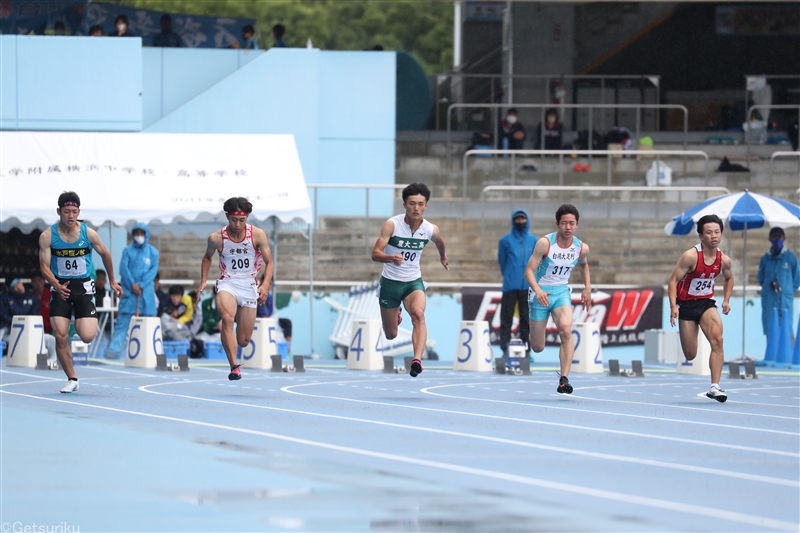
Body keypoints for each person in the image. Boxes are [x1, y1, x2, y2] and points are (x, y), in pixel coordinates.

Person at [38, 192, 122, 393]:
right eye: (66, 211)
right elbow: (44, 266)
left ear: (79, 212)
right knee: (60, 335)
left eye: (74, 212)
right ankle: (72, 378)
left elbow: (105, 254)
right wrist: (56, 285)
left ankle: (77, 317)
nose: (70, 215)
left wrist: (112, 280)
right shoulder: (48, 236)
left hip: (83, 288)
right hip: (61, 288)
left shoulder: (88, 233)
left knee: (87, 336)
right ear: (59, 211)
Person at [371, 182, 448, 378]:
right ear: (404, 204)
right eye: (412, 203)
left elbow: (440, 241)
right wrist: (391, 258)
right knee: (391, 334)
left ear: (426, 206)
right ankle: (396, 311)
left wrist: (443, 256)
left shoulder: (430, 229)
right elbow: (375, 253)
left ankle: (417, 360)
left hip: (413, 281)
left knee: (418, 314)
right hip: (390, 282)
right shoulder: (392, 225)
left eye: (420, 204)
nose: (416, 208)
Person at [196, 197, 273, 380]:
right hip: (227, 283)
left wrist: (265, 285)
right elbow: (207, 258)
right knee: (227, 318)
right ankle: (234, 367)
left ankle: (237, 333)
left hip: (248, 285)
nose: (237, 224)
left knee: (243, 341)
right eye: (233, 220)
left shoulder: (257, 235)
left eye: (241, 220)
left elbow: (269, 262)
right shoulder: (216, 238)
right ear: (227, 217)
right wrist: (203, 281)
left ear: (246, 218)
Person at [524, 204, 591, 394]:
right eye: (564, 223)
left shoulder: (581, 247)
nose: (567, 227)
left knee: (566, 330)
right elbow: (528, 271)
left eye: (571, 223)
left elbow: (584, 265)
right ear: (557, 224)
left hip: (561, 293)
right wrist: (537, 290)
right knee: (537, 347)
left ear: (577, 225)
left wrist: (588, 287)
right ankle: (528, 332)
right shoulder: (545, 243)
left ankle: (564, 379)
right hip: (541, 293)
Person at [668, 214, 734, 403]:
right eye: (709, 232)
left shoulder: (724, 260)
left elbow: (729, 278)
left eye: (717, 232)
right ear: (700, 236)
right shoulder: (690, 257)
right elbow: (673, 281)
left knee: (718, 340)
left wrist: (726, 300)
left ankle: (715, 386)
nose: (714, 236)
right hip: (686, 305)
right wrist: (674, 306)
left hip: (706, 303)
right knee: (690, 354)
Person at [106, 223, 160, 359]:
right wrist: (133, 285)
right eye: (137, 233)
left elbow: (153, 272)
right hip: (130, 293)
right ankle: (114, 350)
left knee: (147, 323)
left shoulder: (153, 252)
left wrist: (140, 284)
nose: (139, 236)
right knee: (122, 323)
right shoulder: (127, 251)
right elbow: (124, 269)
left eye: (142, 233)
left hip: (145, 293)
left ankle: (147, 352)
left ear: (146, 234)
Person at [497, 209, 538, 357]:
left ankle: (526, 351)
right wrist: (510, 275)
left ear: (527, 221)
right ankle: (504, 350)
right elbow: (502, 261)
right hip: (510, 285)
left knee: (526, 320)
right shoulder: (505, 241)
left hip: (527, 286)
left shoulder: (534, 241)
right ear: (513, 221)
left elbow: (537, 262)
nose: (520, 222)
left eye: (523, 219)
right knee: (506, 319)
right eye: (517, 219)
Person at [757, 227, 800, 341]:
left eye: (779, 237)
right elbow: (761, 278)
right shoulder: (765, 259)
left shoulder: (790, 257)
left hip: (785, 301)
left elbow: (797, 279)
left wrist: (787, 291)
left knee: (787, 331)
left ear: (784, 238)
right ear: (770, 239)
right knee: (771, 334)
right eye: (775, 237)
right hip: (770, 301)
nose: (777, 239)